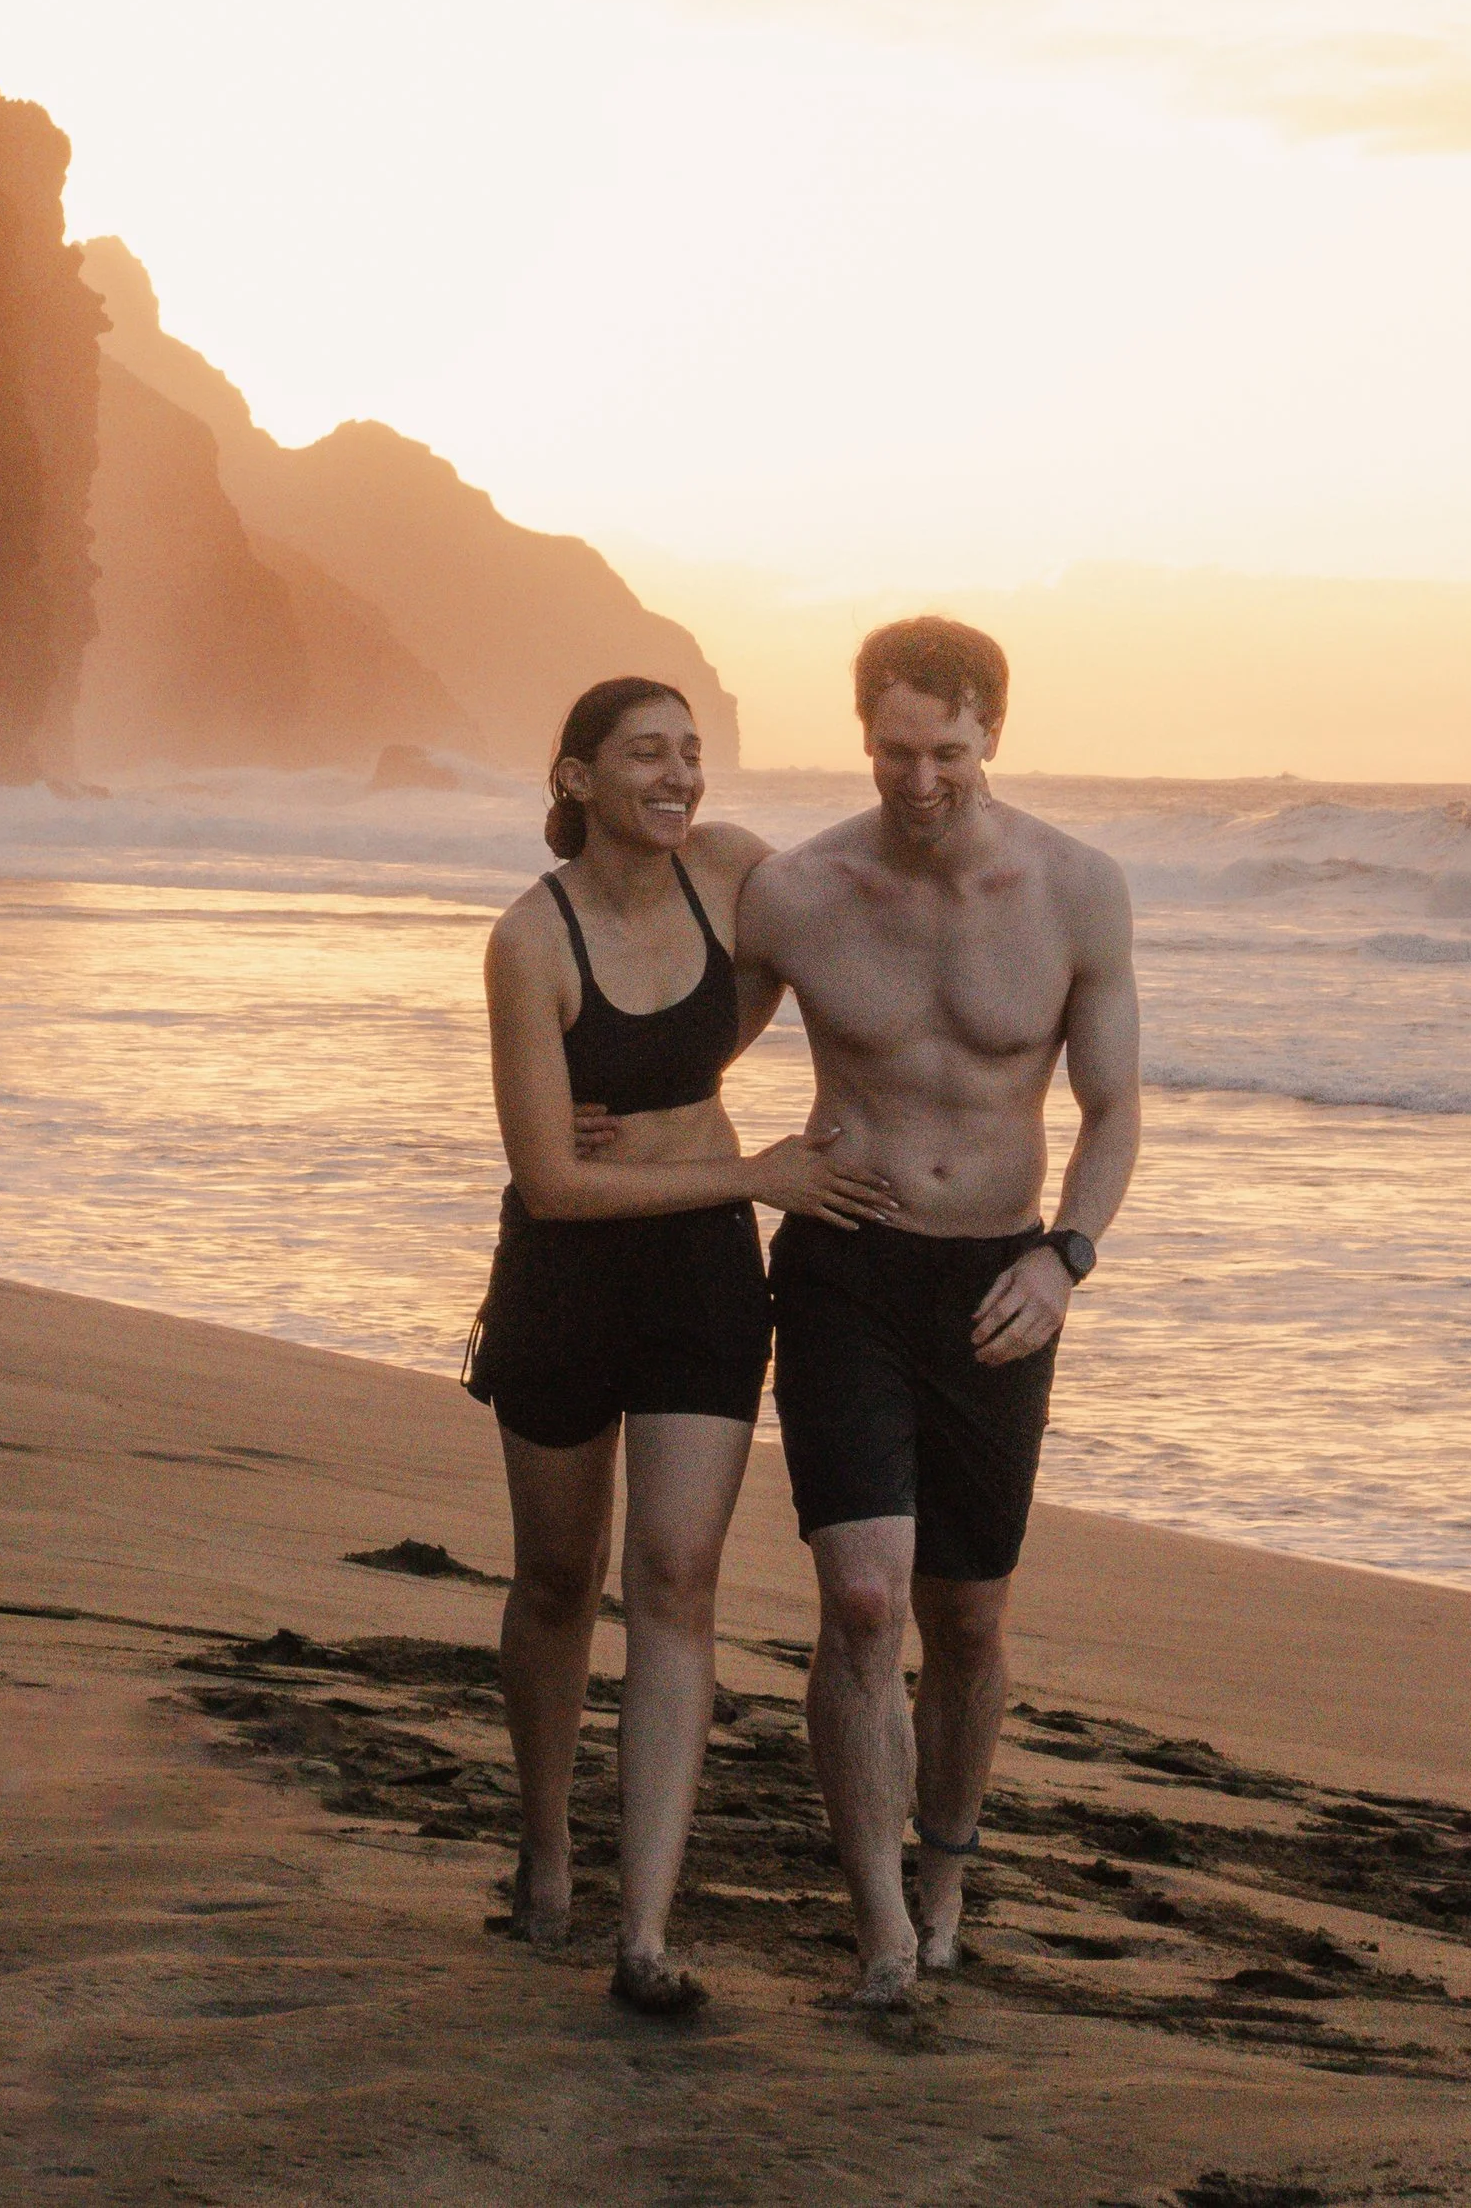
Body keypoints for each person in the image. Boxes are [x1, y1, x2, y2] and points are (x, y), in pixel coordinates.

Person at [470, 674, 896, 2017]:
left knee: (675, 1580)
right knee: (555, 1581)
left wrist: (676, 1098)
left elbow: (851, 921)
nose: (678, 775)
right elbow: (551, 1185)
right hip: (564, 1276)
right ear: (578, 777)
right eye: (646, 753)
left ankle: (641, 1933)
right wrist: (745, 1171)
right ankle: (547, 1850)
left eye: (690, 753)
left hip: (704, 1280)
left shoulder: (732, 873)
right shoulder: (530, 943)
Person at [736, 616, 1141, 2008]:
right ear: (862, 734)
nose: (921, 781)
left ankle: (948, 1874)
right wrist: (732, 1167)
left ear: (994, 738)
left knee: (965, 1620)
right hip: (846, 1269)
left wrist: (1065, 1258)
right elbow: (682, 1050)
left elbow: (1114, 1109)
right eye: (897, 750)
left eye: (949, 753)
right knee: (860, 1602)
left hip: (997, 1286)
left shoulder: (1079, 891)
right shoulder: (798, 891)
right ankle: (881, 1935)